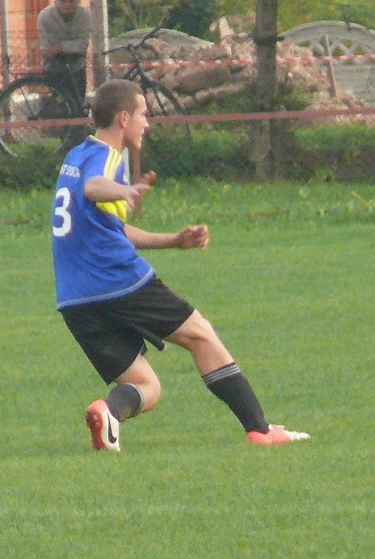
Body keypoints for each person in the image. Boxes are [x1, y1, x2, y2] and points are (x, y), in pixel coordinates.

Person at [51, 78, 310, 450]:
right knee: (201, 334)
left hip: (75, 300)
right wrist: (123, 189)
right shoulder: (107, 158)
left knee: (146, 387)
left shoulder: (75, 155)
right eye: (143, 114)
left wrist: (173, 241)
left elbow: (112, 228)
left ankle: (108, 412)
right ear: (123, 117)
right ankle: (261, 430)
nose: (147, 123)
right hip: (118, 282)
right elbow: (94, 187)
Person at [37, 0, 92, 106]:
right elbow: (47, 49)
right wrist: (68, 47)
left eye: (71, 0)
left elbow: (82, 44)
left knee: (78, 105)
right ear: (55, 1)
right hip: (53, 66)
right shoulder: (45, 16)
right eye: (63, 0)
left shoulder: (85, 16)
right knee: (60, 105)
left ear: (77, 2)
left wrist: (61, 47)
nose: (67, 4)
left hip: (77, 66)